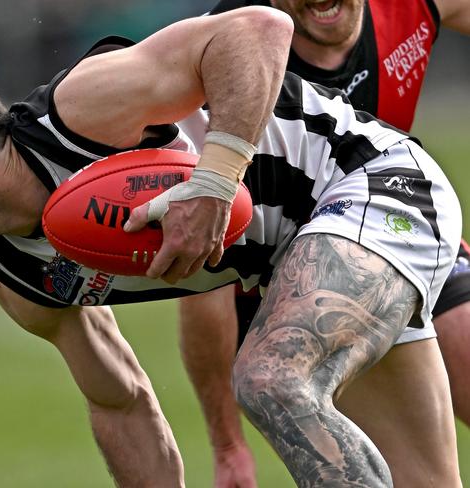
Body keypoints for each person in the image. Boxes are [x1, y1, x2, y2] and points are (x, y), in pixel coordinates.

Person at [0, 6, 462, 487]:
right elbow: (123, 404)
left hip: (376, 183)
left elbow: (262, 28)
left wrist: (216, 181)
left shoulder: (83, 112)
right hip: (301, 256)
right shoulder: (16, 278)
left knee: (270, 378)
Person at [178, 0, 470, 485]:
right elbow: (203, 278)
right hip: (292, 280)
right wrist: (227, 443)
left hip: (400, 220)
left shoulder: (411, 6)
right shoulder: (227, 51)